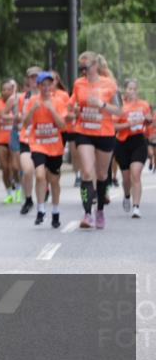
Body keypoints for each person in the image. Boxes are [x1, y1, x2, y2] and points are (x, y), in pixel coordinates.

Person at [68, 51, 121, 229]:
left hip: (105, 133)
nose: (83, 71)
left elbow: (119, 111)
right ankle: (87, 214)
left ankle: (99, 211)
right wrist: (73, 111)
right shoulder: (78, 84)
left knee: (102, 175)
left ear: (95, 66)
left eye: (86, 67)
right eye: (81, 68)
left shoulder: (109, 84)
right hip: (84, 131)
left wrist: (102, 105)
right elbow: (71, 106)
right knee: (87, 173)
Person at [24, 71, 69, 228]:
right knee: (40, 175)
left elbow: (63, 126)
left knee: (55, 181)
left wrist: (51, 110)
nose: (46, 88)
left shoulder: (58, 101)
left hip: (55, 146)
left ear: (53, 85)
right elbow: (25, 124)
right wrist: (32, 110)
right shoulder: (33, 101)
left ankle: (55, 212)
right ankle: (41, 209)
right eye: (43, 85)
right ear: (38, 86)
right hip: (38, 144)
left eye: (49, 84)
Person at [113, 78, 151, 218]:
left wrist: (148, 120)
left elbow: (148, 122)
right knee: (126, 178)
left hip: (138, 141)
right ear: (125, 91)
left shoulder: (144, 105)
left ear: (138, 90)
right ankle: (127, 195)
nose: (132, 92)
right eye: (130, 89)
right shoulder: (120, 107)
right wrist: (128, 124)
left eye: (135, 89)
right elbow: (113, 127)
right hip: (122, 143)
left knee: (136, 174)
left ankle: (136, 207)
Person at [8, 66, 42, 215]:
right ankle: (28, 199)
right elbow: (16, 117)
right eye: (31, 77)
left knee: (42, 174)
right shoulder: (22, 97)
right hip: (26, 138)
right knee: (27, 171)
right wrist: (17, 118)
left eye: (36, 77)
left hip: (44, 140)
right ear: (28, 79)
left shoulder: (48, 96)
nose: (34, 80)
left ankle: (44, 193)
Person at [0, 79, 19, 203]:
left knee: (15, 167)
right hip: (1, 139)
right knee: (5, 168)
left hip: (13, 139)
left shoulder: (16, 102)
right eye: (4, 89)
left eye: (9, 89)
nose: (6, 92)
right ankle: (9, 193)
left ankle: (18, 190)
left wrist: (7, 116)